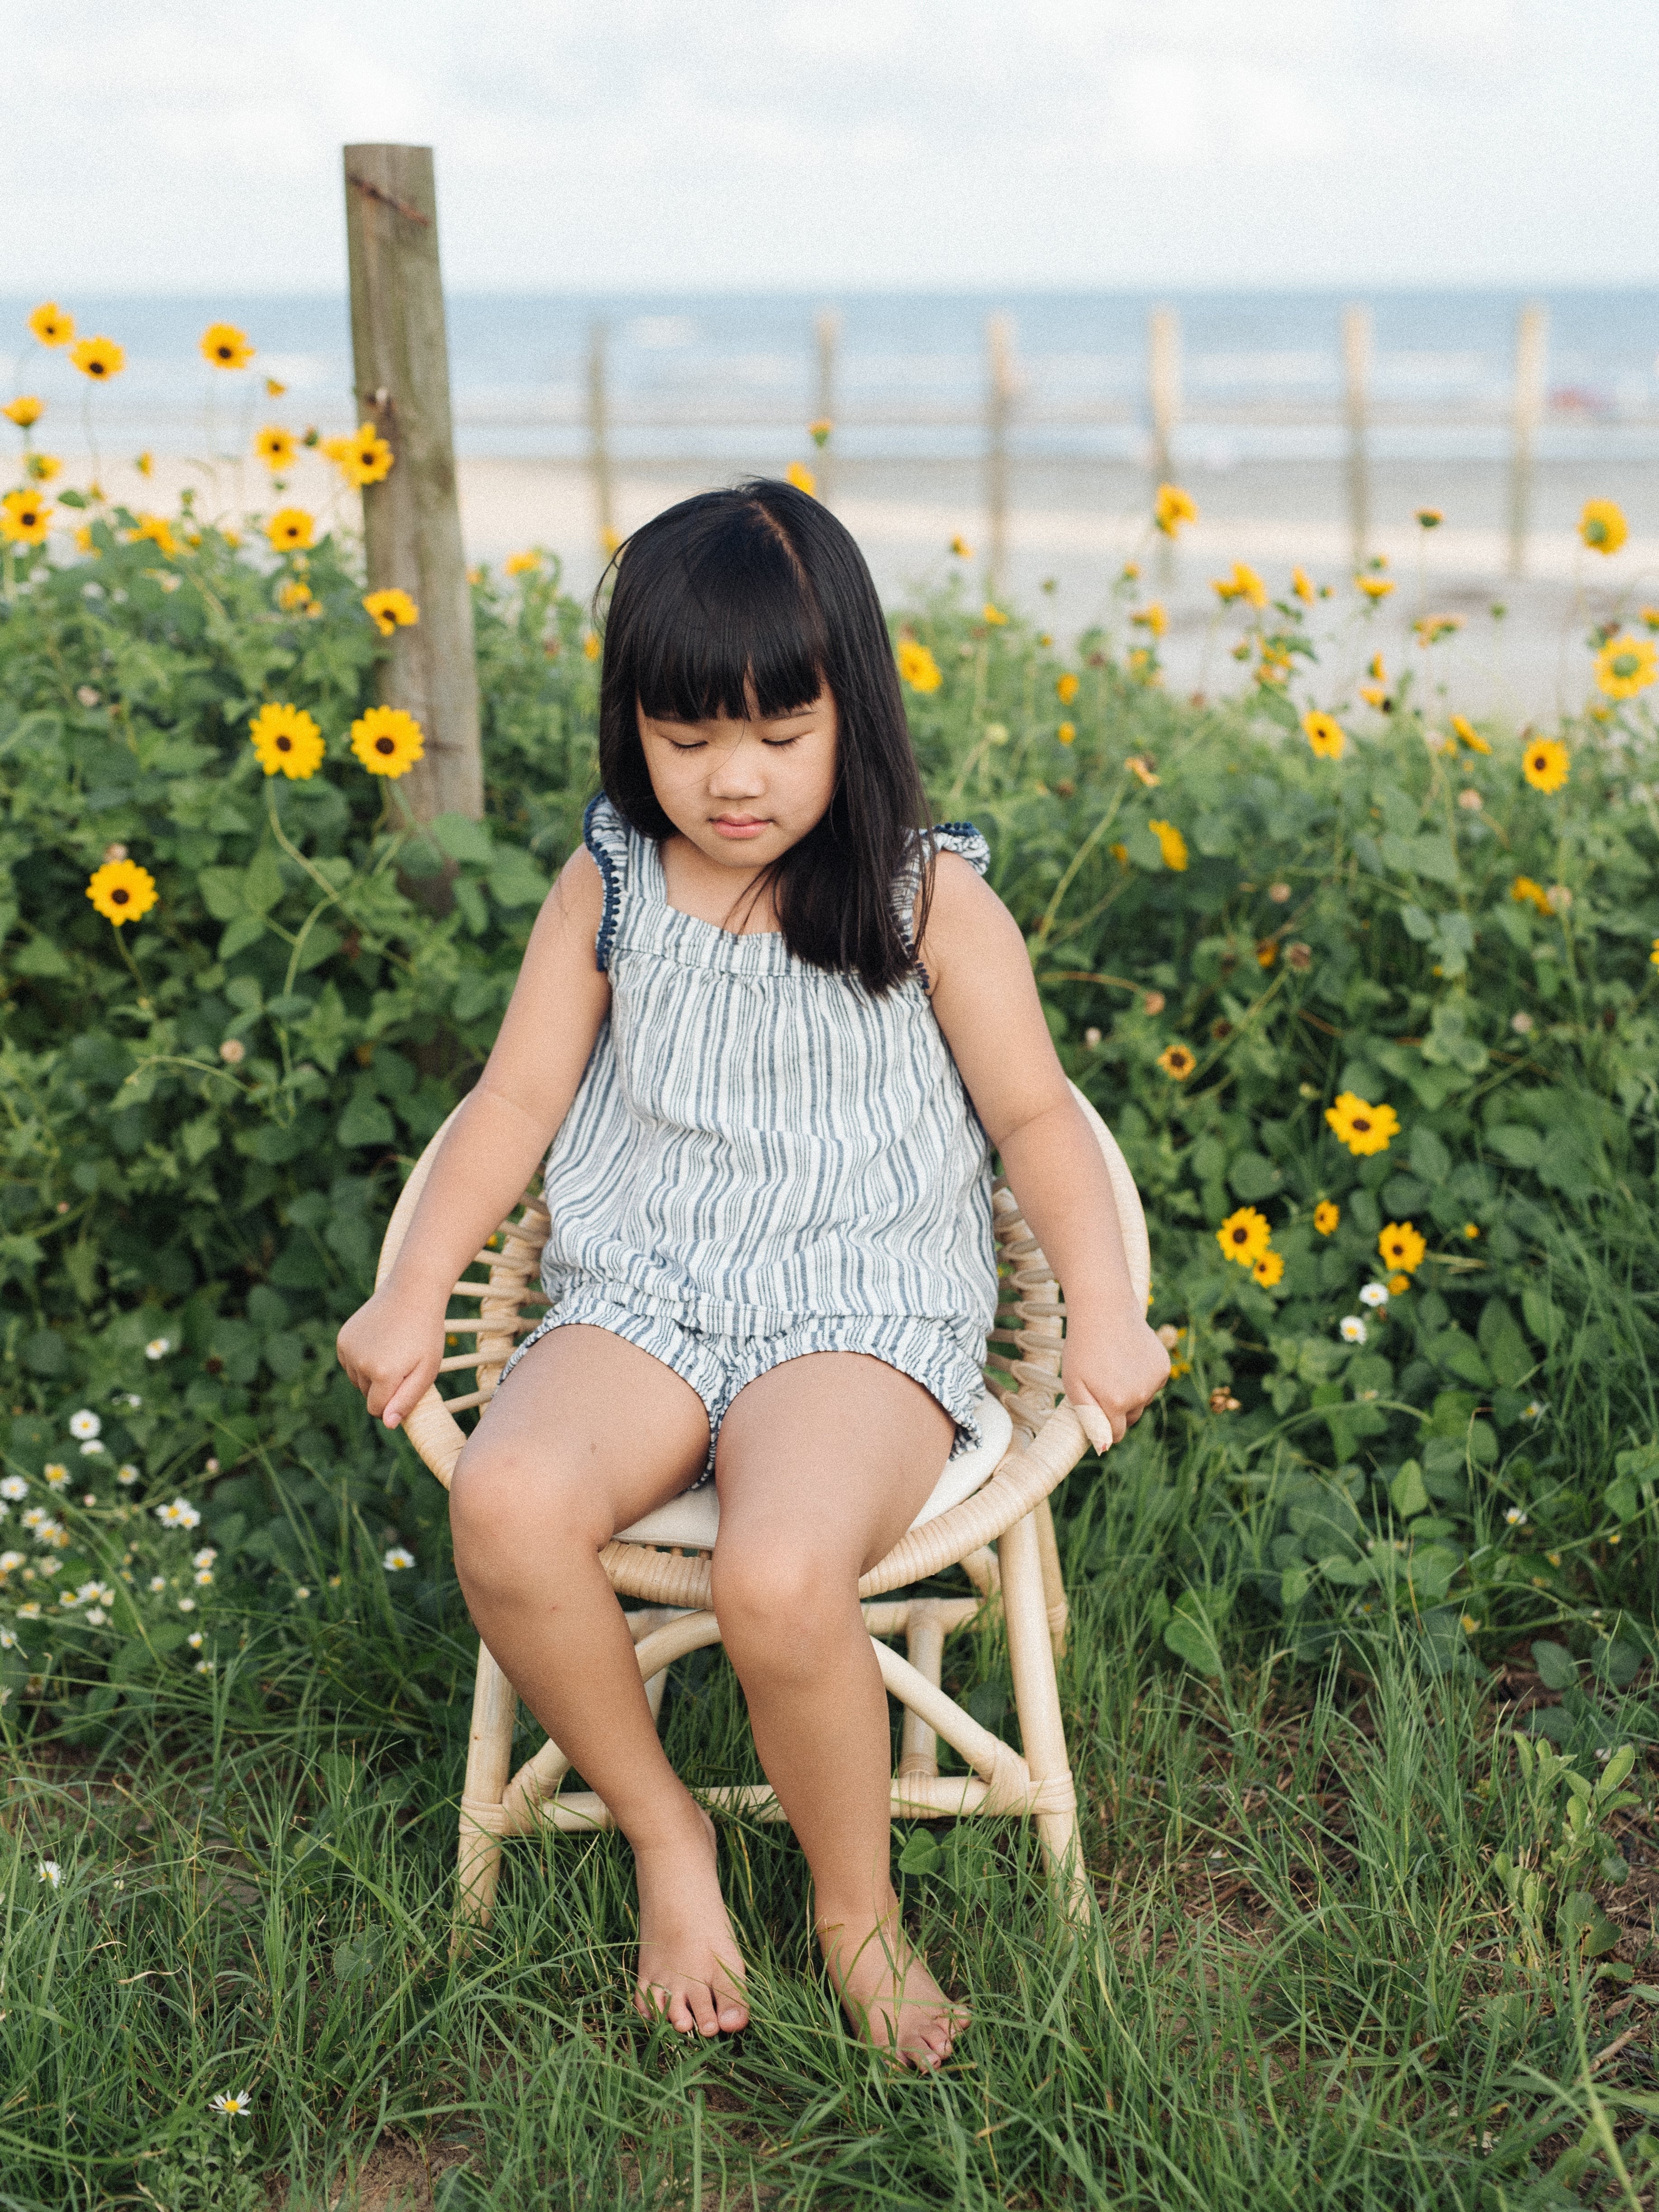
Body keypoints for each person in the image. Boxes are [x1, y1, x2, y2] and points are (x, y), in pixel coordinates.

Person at [337, 480, 1169, 2069]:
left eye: (780, 735)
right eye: (685, 734)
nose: (731, 780)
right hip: (643, 1290)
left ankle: (854, 1909)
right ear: (627, 725)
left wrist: (1108, 1309)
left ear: (854, 706)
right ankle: (667, 1831)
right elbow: (513, 1105)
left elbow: (1033, 1116)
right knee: (504, 1503)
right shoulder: (610, 885)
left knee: (779, 1575)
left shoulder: (928, 897)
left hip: (855, 1310)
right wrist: (413, 1280)